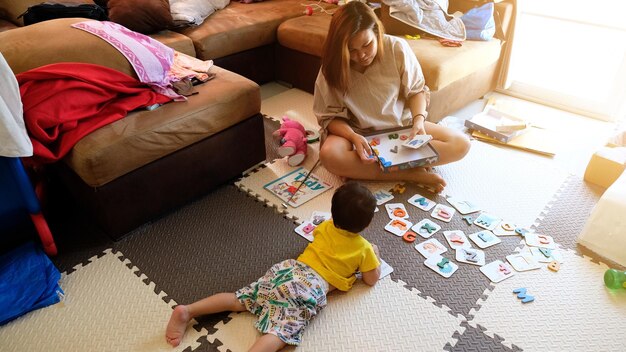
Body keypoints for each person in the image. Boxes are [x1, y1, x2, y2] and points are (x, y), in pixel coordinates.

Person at [165, 181, 381, 351]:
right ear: (367, 223)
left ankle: (188, 310)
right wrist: (375, 257)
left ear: (333, 213)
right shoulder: (364, 249)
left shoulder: (325, 226)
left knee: (239, 299)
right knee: (281, 332)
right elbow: (371, 279)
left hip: (287, 270)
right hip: (307, 288)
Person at [313, 1, 471, 193]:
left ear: (377, 33)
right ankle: (408, 173)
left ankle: (365, 171)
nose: (361, 55)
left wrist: (418, 122)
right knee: (330, 155)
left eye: (367, 45)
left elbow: (416, 91)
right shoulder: (333, 66)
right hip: (358, 132)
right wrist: (353, 137)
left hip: (400, 127)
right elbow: (329, 117)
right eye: (351, 50)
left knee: (461, 144)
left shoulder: (396, 48)